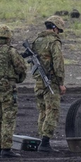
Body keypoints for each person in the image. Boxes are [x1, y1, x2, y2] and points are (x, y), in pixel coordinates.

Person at [0, 25, 27, 158]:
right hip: (7, 87)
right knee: (8, 117)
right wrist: (18, 79)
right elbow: (21, 67)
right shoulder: (10, 51)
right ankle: (6, 149)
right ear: (8, 37)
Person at [31, 15, 66, 152]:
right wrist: (60, 82)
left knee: (42, 112)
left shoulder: (37, 40)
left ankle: (42, 141)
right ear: (55, 28)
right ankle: (45, 143)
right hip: (50, 82)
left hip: (38, 82)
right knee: (53, 111)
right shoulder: (53, 42)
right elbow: (58, 63)